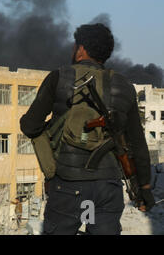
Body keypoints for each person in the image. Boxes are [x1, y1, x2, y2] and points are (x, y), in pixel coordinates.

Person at [20, 23, 155, 235]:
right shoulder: (125, 86)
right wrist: (144, 188)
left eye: (75, 47)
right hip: (107, 188)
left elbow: (30, 126)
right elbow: (138, 144)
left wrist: (53, 132)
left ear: (81, 49)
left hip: (66, 185)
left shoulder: (59, 77)